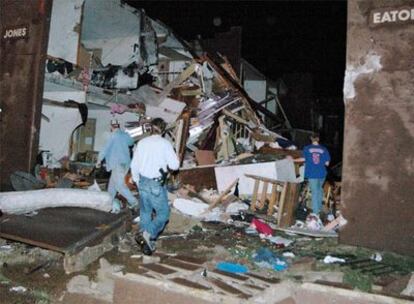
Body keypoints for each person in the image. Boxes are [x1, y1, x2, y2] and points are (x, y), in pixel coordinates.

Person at [130, 117, 179, 255]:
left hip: (143, 182)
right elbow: (174, 166)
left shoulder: (141, 142)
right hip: (156, 184)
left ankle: (147, 243)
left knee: (145, 212)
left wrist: (136, 180)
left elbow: (134, 164)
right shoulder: (165, 144)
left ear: (150, 129)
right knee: (163, 214)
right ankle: (148, 233)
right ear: (163, 130)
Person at [97, 119, 138, 210]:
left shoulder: (112, 136)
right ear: (118, 126)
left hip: (116, 163)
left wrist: (99, 160)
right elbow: (131, 142)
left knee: (119, 185)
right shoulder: (125, 135)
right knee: (112, 185)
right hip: (126, 163)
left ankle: (134, 202)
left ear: (111, 127)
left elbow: (105, 149)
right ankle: (109, 201)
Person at [295, 133, 330, 216]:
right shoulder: (324, 149)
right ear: (318, 139)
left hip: (312, 173)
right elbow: (327, 163)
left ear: (311, 139)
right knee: (319, 190)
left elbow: (303, 159)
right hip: (322, 173)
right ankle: (319, 209)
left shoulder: (307, 148)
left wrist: (293, 160)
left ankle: (315, 213)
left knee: (314, 192)